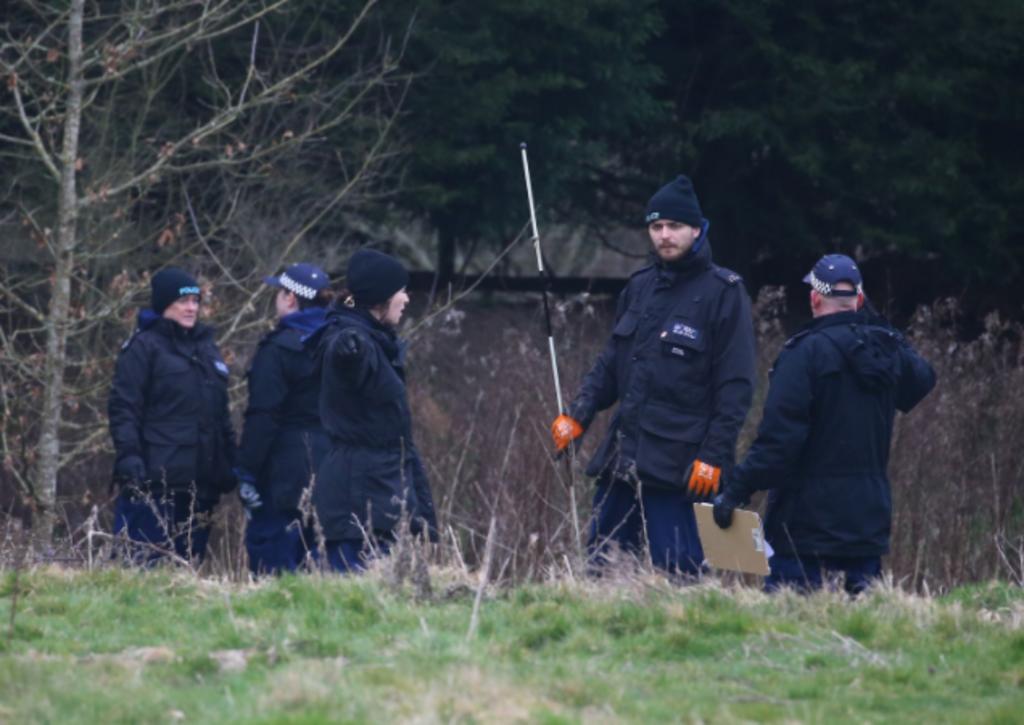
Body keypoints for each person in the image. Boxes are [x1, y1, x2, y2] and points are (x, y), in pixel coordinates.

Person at [552, 175, 756, 576]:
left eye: (675, 226)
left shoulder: (724, 293)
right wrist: (577, 414)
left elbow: (736, 387)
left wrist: (713, 457)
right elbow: (611, 363)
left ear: (697, 230)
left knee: (680, 575)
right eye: (656, 227)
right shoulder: (639, 287)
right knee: (603, 568)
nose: (665, 235)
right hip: (623, 460)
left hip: (683, 469)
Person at [712, 254, 936, 595]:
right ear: (859, 299)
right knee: (862, 638)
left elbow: (777, 444)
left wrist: (735, 492)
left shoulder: (802, 354)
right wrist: (877, 324)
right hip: (868, 525)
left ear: (814, 297)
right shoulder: (886, 350)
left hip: (804, 530)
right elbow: (923, 379)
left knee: (789, 633)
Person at [305, 249, 438, 572]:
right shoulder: (350, 340)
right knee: (351, 604)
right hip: (357, 500)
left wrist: (421, 512)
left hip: (382, 494)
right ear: (380, 297)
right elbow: (343, 356)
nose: (406, 299)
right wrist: (347, 350)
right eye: (400, 291)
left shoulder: (378, 341)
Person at [108, 267, 236, 564]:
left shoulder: (207, 349)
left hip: (202, 485)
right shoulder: (143, 348)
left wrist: (230, 462)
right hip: (154, 481)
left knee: (187, 573)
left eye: (196, 301)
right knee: (141, 569)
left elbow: (221, 415)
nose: (192, 308)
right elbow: (123, 407)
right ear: (165, 304)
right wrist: (128, 457)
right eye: (183, 301)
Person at [236, 263, 333, 575]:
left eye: (279, 292)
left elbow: (263, 416)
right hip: (334, 470)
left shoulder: (278, 349)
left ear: (290, 299)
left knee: (273, 565)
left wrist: (246, 472)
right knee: (319, 568)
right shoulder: (344, 344)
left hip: (283, 475)